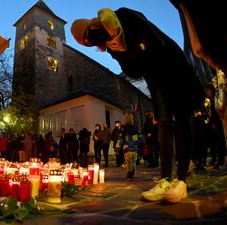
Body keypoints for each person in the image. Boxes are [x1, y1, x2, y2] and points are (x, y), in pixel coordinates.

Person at [71, 7, 204, 203]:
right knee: (165, 124)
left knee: (182, 118)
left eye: (88, 39)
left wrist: (124, 39)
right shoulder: (110, 45)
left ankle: (181, 181)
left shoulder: (123, 15)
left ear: (91, 26)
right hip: (154, 77)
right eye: (87, 45)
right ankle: (165, 180)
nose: (91, 44)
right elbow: (134, 71)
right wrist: (121, 50)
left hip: (171, 64)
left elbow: (154, 41)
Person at [118, 113, 139, 180]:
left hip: (127, 146)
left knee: (128, 161)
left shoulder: (124, 128)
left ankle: (129, 174)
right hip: (134, 146)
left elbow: (121, 139)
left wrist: (118, 147)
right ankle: (133, 172)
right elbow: (139, 137)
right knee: (133, 160)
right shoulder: (135, 127)